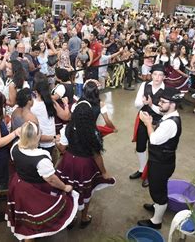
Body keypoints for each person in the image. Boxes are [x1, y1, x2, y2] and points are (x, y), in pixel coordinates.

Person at [7, 121, 79, 240]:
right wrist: (65, 187)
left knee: (25, 214)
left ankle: (27, 235)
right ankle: (32, 234)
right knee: (37, 213)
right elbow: (51, 179)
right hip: (35, 190)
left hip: (18, 185)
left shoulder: (15, 147)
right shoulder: (42, 157)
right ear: (36, 137)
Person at [56, 100, 115, 228]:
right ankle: (84, 217)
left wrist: (57, 142)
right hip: (85, 165)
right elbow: (96, 155)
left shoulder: (68, 128)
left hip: (68, 162)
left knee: (70, 190)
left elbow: (63, 148)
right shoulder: (93, 132)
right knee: (85, 190)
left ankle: (71, 219)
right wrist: (104, 172)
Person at [137, 87, 183, 229]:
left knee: (158, 191)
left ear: (172, 104)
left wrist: (148, 123)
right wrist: (151, 106)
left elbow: (154, 140)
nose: (160, 104)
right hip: (162, 160)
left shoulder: (170, 123)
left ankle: (156, 221)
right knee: (158, 187)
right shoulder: (170, 114)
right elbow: (158, 110)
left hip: (161, 163)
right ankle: (158, 205)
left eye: (163, 102)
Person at [130, 64, 165, 186]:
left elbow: (162, 111)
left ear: (164, 77)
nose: (157, 77)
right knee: (140, 146)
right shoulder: (145, 85)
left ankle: (150, 174)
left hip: (157, 124)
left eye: (160, 75)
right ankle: (141, 170)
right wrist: (142, 103)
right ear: (151, 75)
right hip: (142, 120)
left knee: (154, 150)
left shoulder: (165, 90)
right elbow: (136, 104)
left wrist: (150, 105)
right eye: (155, 74)